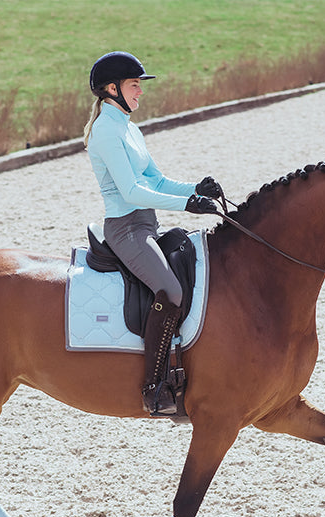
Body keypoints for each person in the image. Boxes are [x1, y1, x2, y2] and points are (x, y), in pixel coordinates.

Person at [83, 51, 223, 417]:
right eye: (134, 85)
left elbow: (156, 181)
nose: (140, 92)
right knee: (171, 291)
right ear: (112, 89)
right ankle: (154, 386)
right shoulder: (106, 132)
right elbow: (131, 192)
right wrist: (188, 204)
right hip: (126, 229)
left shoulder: (129, 128)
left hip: (146, 224)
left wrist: (196, 188)